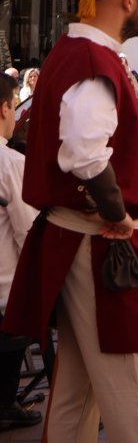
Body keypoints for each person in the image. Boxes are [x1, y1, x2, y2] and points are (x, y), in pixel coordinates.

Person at [2, 0, 138, 442]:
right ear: (129, 0)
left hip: (85, 242)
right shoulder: (90, 61)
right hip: (102, 246)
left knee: (77, 392)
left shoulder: (79, 55)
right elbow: (83, 153)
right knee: (136, 387)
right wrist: (115, 211)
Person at [0, 73, 43, 430]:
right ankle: (4, 398)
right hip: (3, 297)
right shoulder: (10, 163)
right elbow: (29, 235)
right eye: (15, 106)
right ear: (4, 109)